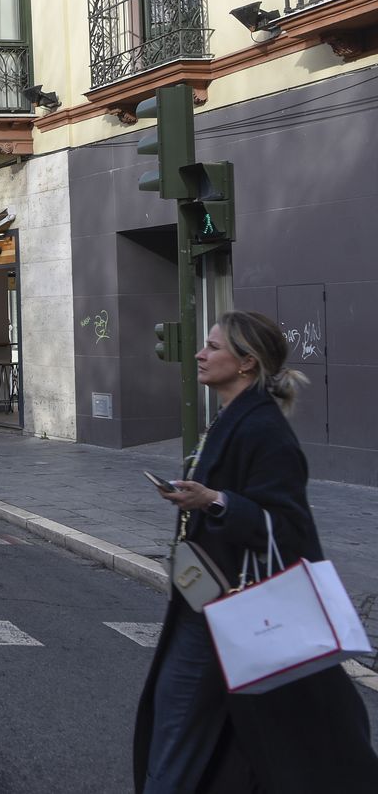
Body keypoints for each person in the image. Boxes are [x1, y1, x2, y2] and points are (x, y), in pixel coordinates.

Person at [133, 310, 378, 793]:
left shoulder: (264, 430)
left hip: (230, 608)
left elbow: (288, 526)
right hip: (208, 600)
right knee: (193, 725)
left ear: (246, 363)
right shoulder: (232, 417)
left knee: (177, 722)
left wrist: (216, 501)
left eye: (213, 347)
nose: (200, 354)